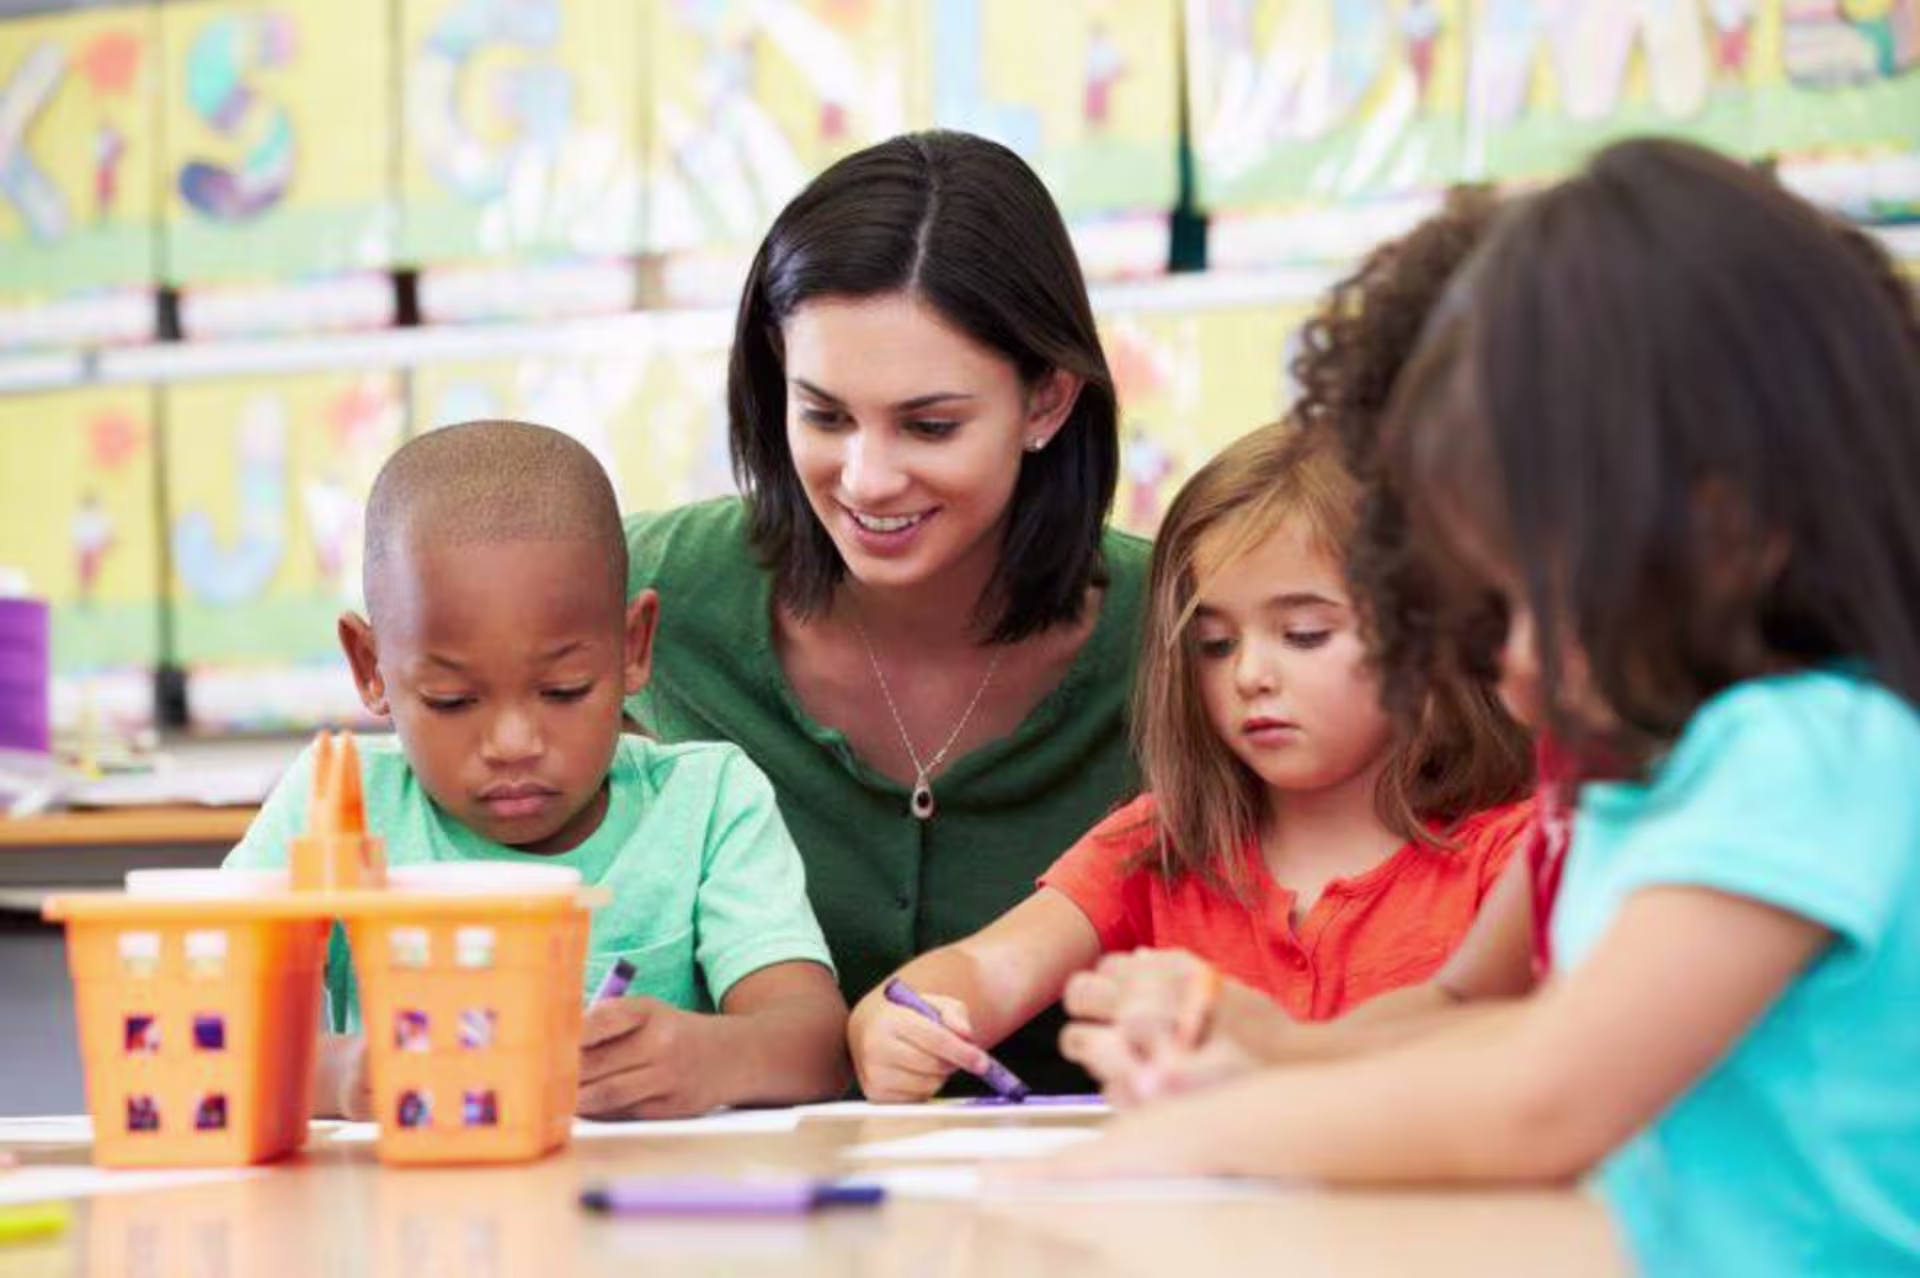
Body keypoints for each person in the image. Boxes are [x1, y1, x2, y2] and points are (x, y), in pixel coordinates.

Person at [1031, 139, 1920, 1277]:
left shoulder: (1808, 752)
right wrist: (1275, 1055)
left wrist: (1192, 1141)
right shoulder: (1647, 775)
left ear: (1727, 530)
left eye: (1523, 601)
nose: (1502, 669)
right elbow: (1514, 1027)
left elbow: (1546, 1095)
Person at [624, 131, 1149, 1092]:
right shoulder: (644, 591)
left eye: (930, 424)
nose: (865, 479)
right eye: (823, 415)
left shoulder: (1188, 628)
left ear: (1048, 401)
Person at [846, 419, 1532, 1100]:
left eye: (1304, 634)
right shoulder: (1158, 844)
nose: (1250, 675)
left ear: (1430, 636)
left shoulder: (1516, 856)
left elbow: (1529, 1061)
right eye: (1214, 644)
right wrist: (897, 1024)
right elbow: (984, 970)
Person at [226, 421, 848, 1120]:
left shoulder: (708, 802)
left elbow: (818, 1043)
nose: (514, 743)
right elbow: (201, 1027)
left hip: (649, 1216)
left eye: (563, 691)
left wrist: (711, 1059)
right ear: (371, 668)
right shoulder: (334, 804)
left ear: (633, 647)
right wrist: (337, 1075)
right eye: (452, 701)